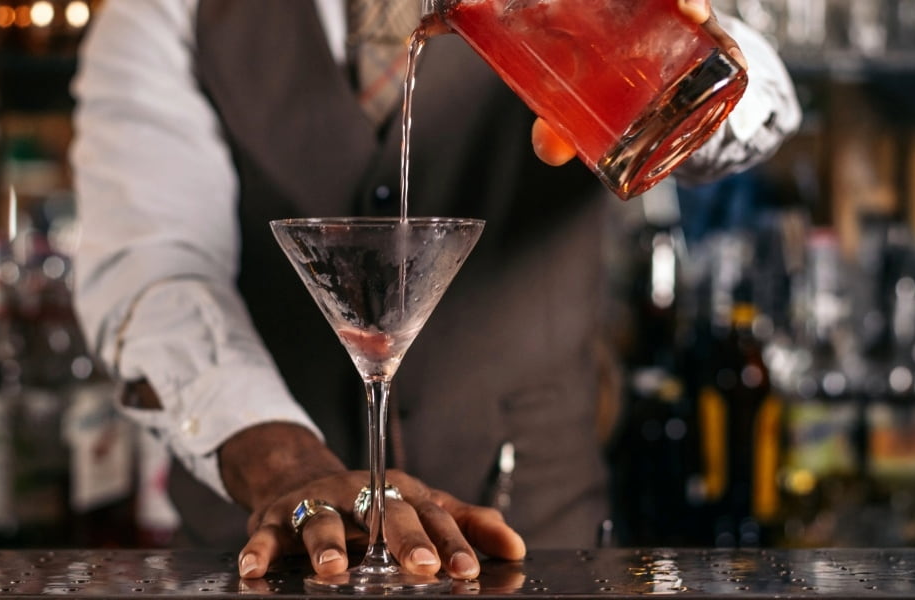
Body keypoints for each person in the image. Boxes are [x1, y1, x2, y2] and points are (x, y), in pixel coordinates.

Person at [70, 0, 801, 581]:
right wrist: (285, 467)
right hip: (272, 567)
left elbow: (767, 101)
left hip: (534, 556)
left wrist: (659, 54)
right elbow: (155, 268)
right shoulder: (166, 11)